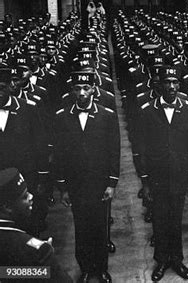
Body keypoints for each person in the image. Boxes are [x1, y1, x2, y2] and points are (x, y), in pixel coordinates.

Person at [54, 71, 120, 282]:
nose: (81, 93)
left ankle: (100, 268)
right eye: (77, 89)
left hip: (99, 184)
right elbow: (60, 154)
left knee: (100, 227)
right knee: (81, 228)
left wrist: (112, 183)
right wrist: (63, 188)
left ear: (93, 89)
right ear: (72, 90)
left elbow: (114, 151)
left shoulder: (107, 115)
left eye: (86, 88)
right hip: (76, 185)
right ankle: (85, 268)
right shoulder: (62, 117)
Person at [137, 66, 188, 281]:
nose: (171, 87)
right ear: (158, 85)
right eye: (167, 82)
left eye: (175, 82)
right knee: (160, 220)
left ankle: (177, 260)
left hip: (180, 176)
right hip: (157, 177)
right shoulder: (147, 110)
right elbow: (141, 149)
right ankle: (161, 261)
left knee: (177, 219)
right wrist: (144, 182)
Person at [0, 67, 49, 236]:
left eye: (1, 87)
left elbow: (40, 144)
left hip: (26, 177)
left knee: (29, 221)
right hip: (1, 180)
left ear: (9, 86)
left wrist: (43, 176)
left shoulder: (27, 108)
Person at [0, 168, 72, 282]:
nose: (31, 196)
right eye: (24, 196)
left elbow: (5, 272)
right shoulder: (36, 250)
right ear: (7, 207)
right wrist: (47, 259)